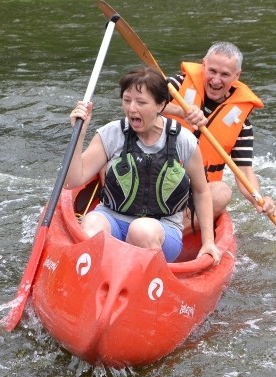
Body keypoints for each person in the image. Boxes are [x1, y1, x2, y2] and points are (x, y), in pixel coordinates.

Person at [65, 66, 222, 265]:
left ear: (160, 105)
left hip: (161, 230)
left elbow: (201, 192)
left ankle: (141, 281)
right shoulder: (111, 133)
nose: (132, 109)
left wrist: (208, 242)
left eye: (141, 102)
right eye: (127, 100)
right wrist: (79, 133)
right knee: (91, 224)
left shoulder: (184, 140)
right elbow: (71, 182)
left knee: (141, 230)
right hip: (112, 218)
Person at [164, 41, 276, 229]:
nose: (216, 80)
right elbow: (142, 105)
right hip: (154, 173)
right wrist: (180, 111)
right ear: (203, 65)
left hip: (192, 191)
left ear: (236, 75)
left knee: (222, 192)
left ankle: (171, 232)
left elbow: (245, 172)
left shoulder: (241, 125)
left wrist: (260, 200)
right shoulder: (177, 85)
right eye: (212, 71)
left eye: (224, 74)